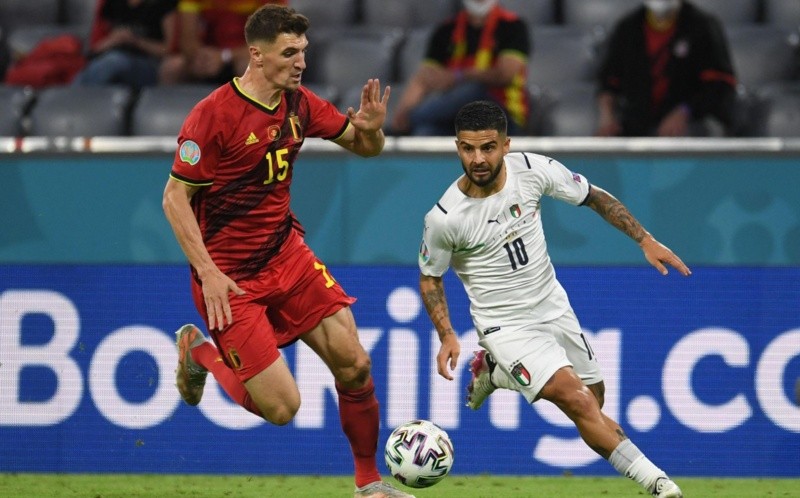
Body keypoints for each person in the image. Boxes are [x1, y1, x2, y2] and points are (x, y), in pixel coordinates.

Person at [161, 5, 412, 498]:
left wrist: (373, 128)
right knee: (281, 409)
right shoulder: (213, 115)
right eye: (289, 52)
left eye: (304, 51)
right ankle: (201, 353)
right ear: (256, 55)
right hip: (229, 278)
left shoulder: (299, 104)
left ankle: (369, 484)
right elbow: (174, 199)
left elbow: (366, 148)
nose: (301, 63)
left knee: (355, 364)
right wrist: (207, 272)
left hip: (287, 256)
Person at [418, 100, 690, 498]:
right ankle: (660, 484)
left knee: (594, 400)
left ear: (506, 145)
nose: (478, 159)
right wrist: (446, 334)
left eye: (488, 147)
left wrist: (644, 239)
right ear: (458, 146)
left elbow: (593, 196)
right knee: (579, 402)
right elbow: (430, 278)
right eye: (468, 148)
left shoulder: (532, 170)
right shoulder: (445, 218)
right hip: (505, 327)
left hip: (552, 306)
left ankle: (494, 373)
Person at [596, 0, 737, 137]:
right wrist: (607, 115)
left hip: (694, 121)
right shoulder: (628, 28)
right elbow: (609, 81)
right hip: (638, 123)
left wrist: (685, 111)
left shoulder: (703, 26)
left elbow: (720, 84)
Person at [390, 0, 530, 136]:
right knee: (424, 132)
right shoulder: (446, 30)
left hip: (502, 117)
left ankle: (410, 121)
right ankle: (405, 123)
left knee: (472, 90)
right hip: (456, 118)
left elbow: (505, 74)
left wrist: (459, 76)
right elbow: (425, 77)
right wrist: (402, 111)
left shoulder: (512, 26)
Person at [158, 0, 284, 85]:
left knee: (249, 67)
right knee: (171, 68)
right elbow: (187, 38)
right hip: (208, 56)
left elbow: (270, 42)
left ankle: (257, 116)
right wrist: (198, 55)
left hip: (245, 54)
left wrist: (224, 56)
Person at [72, 0, 178, 89]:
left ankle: (76, 97)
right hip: (110, 58)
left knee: (115, 61)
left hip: (148, 62)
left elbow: (168, 50)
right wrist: (113, 41)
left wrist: (135, 41)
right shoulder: (113, 3)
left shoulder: (163, 4)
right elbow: (95, 48)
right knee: (99, 65)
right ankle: (74, 96)